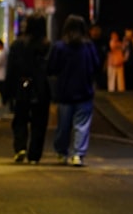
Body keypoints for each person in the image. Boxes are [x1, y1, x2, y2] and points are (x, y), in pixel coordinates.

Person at [48, 15, 101, 167]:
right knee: (82, 125)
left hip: (64, 92)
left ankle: (61, 152)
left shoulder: (59, 47)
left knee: (63, 125)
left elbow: (52, 68)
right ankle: (78, 154)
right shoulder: (88, 46)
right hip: (84, 91)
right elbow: (96, 66)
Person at [6, 13, 51, 164]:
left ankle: (20, 147)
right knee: (39, 122)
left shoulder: (18, 45)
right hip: (41, 88)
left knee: (20, 119)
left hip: (21, 86)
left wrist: (8, 91)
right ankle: (34, 155)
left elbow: (11, 69)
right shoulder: (47, 46)